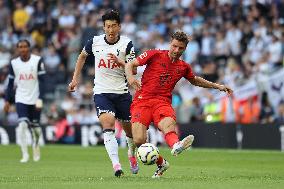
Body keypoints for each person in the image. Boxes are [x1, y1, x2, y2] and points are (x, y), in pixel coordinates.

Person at [125, 31, 233, 178]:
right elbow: (130, 64)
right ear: (170, 43)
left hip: (162, 102)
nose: (176, 50)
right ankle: (162, 164)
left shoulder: (183, 67)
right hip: (142, 100)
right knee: (139, 141)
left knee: (167, 125)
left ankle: (176, 145)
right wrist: (131, 78)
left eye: (180, 48)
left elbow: (195, 80)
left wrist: (217, 86)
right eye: (174, 46)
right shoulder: (154, 54)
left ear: (185, 49)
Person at [68, 10, 138, 177]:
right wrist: (75, 79)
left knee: (130, 132)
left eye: (114, 26)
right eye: (108, 26)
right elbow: (82, 57)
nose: (111, 30)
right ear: (103, 27)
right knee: (108, 125)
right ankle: (117, 166)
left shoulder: (127, 44)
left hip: (122, 92)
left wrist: (121, 62)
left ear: (119, 27)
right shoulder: (94, 42)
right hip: (102, 92)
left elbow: (133, 69)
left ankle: (131, 154)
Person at [4, 39, 45, 163]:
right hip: (21, 98)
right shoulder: (14, 63)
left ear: (29, 48)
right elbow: (10, 84)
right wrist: (7, 101)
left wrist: (40, 100)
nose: (23, 49)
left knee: (36, 128)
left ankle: (36, 147)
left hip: (35, 98)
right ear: (17, 49)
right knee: (22, 125)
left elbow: (43, 82)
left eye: (25, 46)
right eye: (20, 47)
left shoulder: (37, 60)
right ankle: (25, 154)